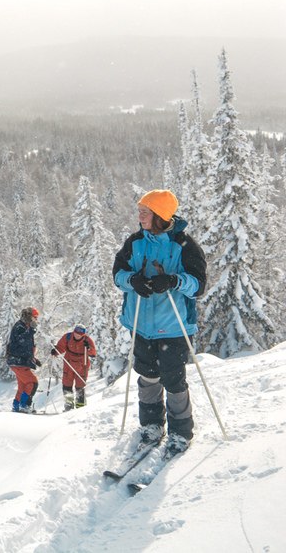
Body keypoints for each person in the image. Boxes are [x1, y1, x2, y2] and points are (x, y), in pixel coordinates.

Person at [113, 189, 207, 455]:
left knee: (174, 380)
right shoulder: (134, 242)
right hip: (141, 325)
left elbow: (198, 285)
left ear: (160, 215)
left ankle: (180, 432)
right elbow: (117, 273)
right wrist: (133, 281)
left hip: (174, 327)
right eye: (140, 211)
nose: (140, 216)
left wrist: (174, 281)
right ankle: (152, 425)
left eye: (145, 211)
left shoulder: (184, 245)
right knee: (148, 377)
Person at [51, 324, 97, 410]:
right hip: (69, 364)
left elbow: (93, 354)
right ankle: (69, 406)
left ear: (83, 334)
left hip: (82, 365)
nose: (77, 335)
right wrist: (56, 351)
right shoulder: (68, 337)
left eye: (79, 334)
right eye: (76, 332)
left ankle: (80, 407)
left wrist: (88, 348)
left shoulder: (87, 340)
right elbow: (61, 347)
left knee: (80, 387)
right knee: (67, 385)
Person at [6, 307, 41, 413]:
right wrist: (31, 330)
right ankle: (24, 406)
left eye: (36, 318)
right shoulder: (20, 326)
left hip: (19, 361)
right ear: (28, 316)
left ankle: (16, 406)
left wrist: (33, 358)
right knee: (33, 383)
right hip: (18, 361)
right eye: (34, 317)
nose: (35, 320)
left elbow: (23, 347)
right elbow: (21, 341)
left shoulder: (24, 326)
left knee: (23, 385)